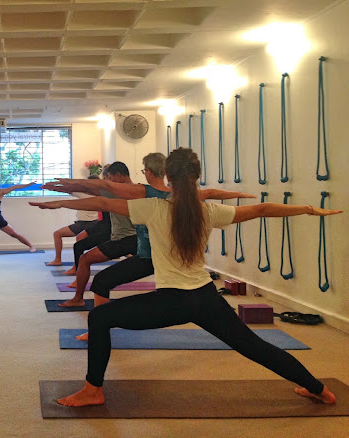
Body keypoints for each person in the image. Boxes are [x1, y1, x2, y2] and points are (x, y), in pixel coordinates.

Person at [30, 147, 339, 407]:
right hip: (207, 298)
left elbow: (101, 202)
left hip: (172, 301)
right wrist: (310, 209)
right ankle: (318, 389)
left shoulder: (152, 208)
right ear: (196, 176)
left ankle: (93, 390)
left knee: (99, 319)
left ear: (167, 177)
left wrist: (59, 203)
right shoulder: (209, 211)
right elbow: (261, 209)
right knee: (253, 346)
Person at [49, 152, 254, 340]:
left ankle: (98, 328)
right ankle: (99, 325)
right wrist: (241, 195)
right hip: (152, 254)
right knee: (104, 280)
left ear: (148, 171)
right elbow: (209, 192)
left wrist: (64, 185)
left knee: (103, 281)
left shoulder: (143, 191)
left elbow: (103, 191)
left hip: (149, 255)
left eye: (144, 170)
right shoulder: (176, 195)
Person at [44, 161, 138, 307]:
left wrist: (61, 197)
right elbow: (89, 191)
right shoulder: (132, 190)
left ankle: (78, 299)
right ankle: (78, 298)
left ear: (119, 176)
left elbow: (92, 193)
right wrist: (62, 188)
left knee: (86, 260)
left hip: (127, 239)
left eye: (111, 179)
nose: (109, 182)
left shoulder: (123, 192)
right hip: (125, 239)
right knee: (86, 259)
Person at [45, 175, 101, 266]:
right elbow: (68, 189)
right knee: (58, 234)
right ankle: (59, 260)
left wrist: (53, 186)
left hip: (88, 224)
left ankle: (70, 263)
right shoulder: (101, 195)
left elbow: (67, 189)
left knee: (59, 234)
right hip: (87, 223)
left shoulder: (85, 194)